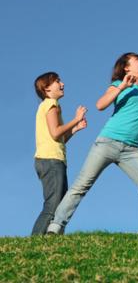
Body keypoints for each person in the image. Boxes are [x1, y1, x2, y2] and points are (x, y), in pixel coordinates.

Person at [47, 31, 138, 234]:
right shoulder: (118, 85)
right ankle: (55, 226)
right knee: (81, 185)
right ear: (127, 67)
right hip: (106, 143)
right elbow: (100, 104)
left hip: (131, 150)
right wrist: (122, 88)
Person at [32, 72, 87, 234]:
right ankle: (35, 243)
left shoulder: (50, 105)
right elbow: (56, 133)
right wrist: (75, 119)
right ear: (47, 88)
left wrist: (75, 129)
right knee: (53, 206)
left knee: (59, 205)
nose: (62, 84)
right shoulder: (51, 104)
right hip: (50, 160)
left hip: (52, 159)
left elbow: (58, 138)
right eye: (57, 81)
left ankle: (51, 241)